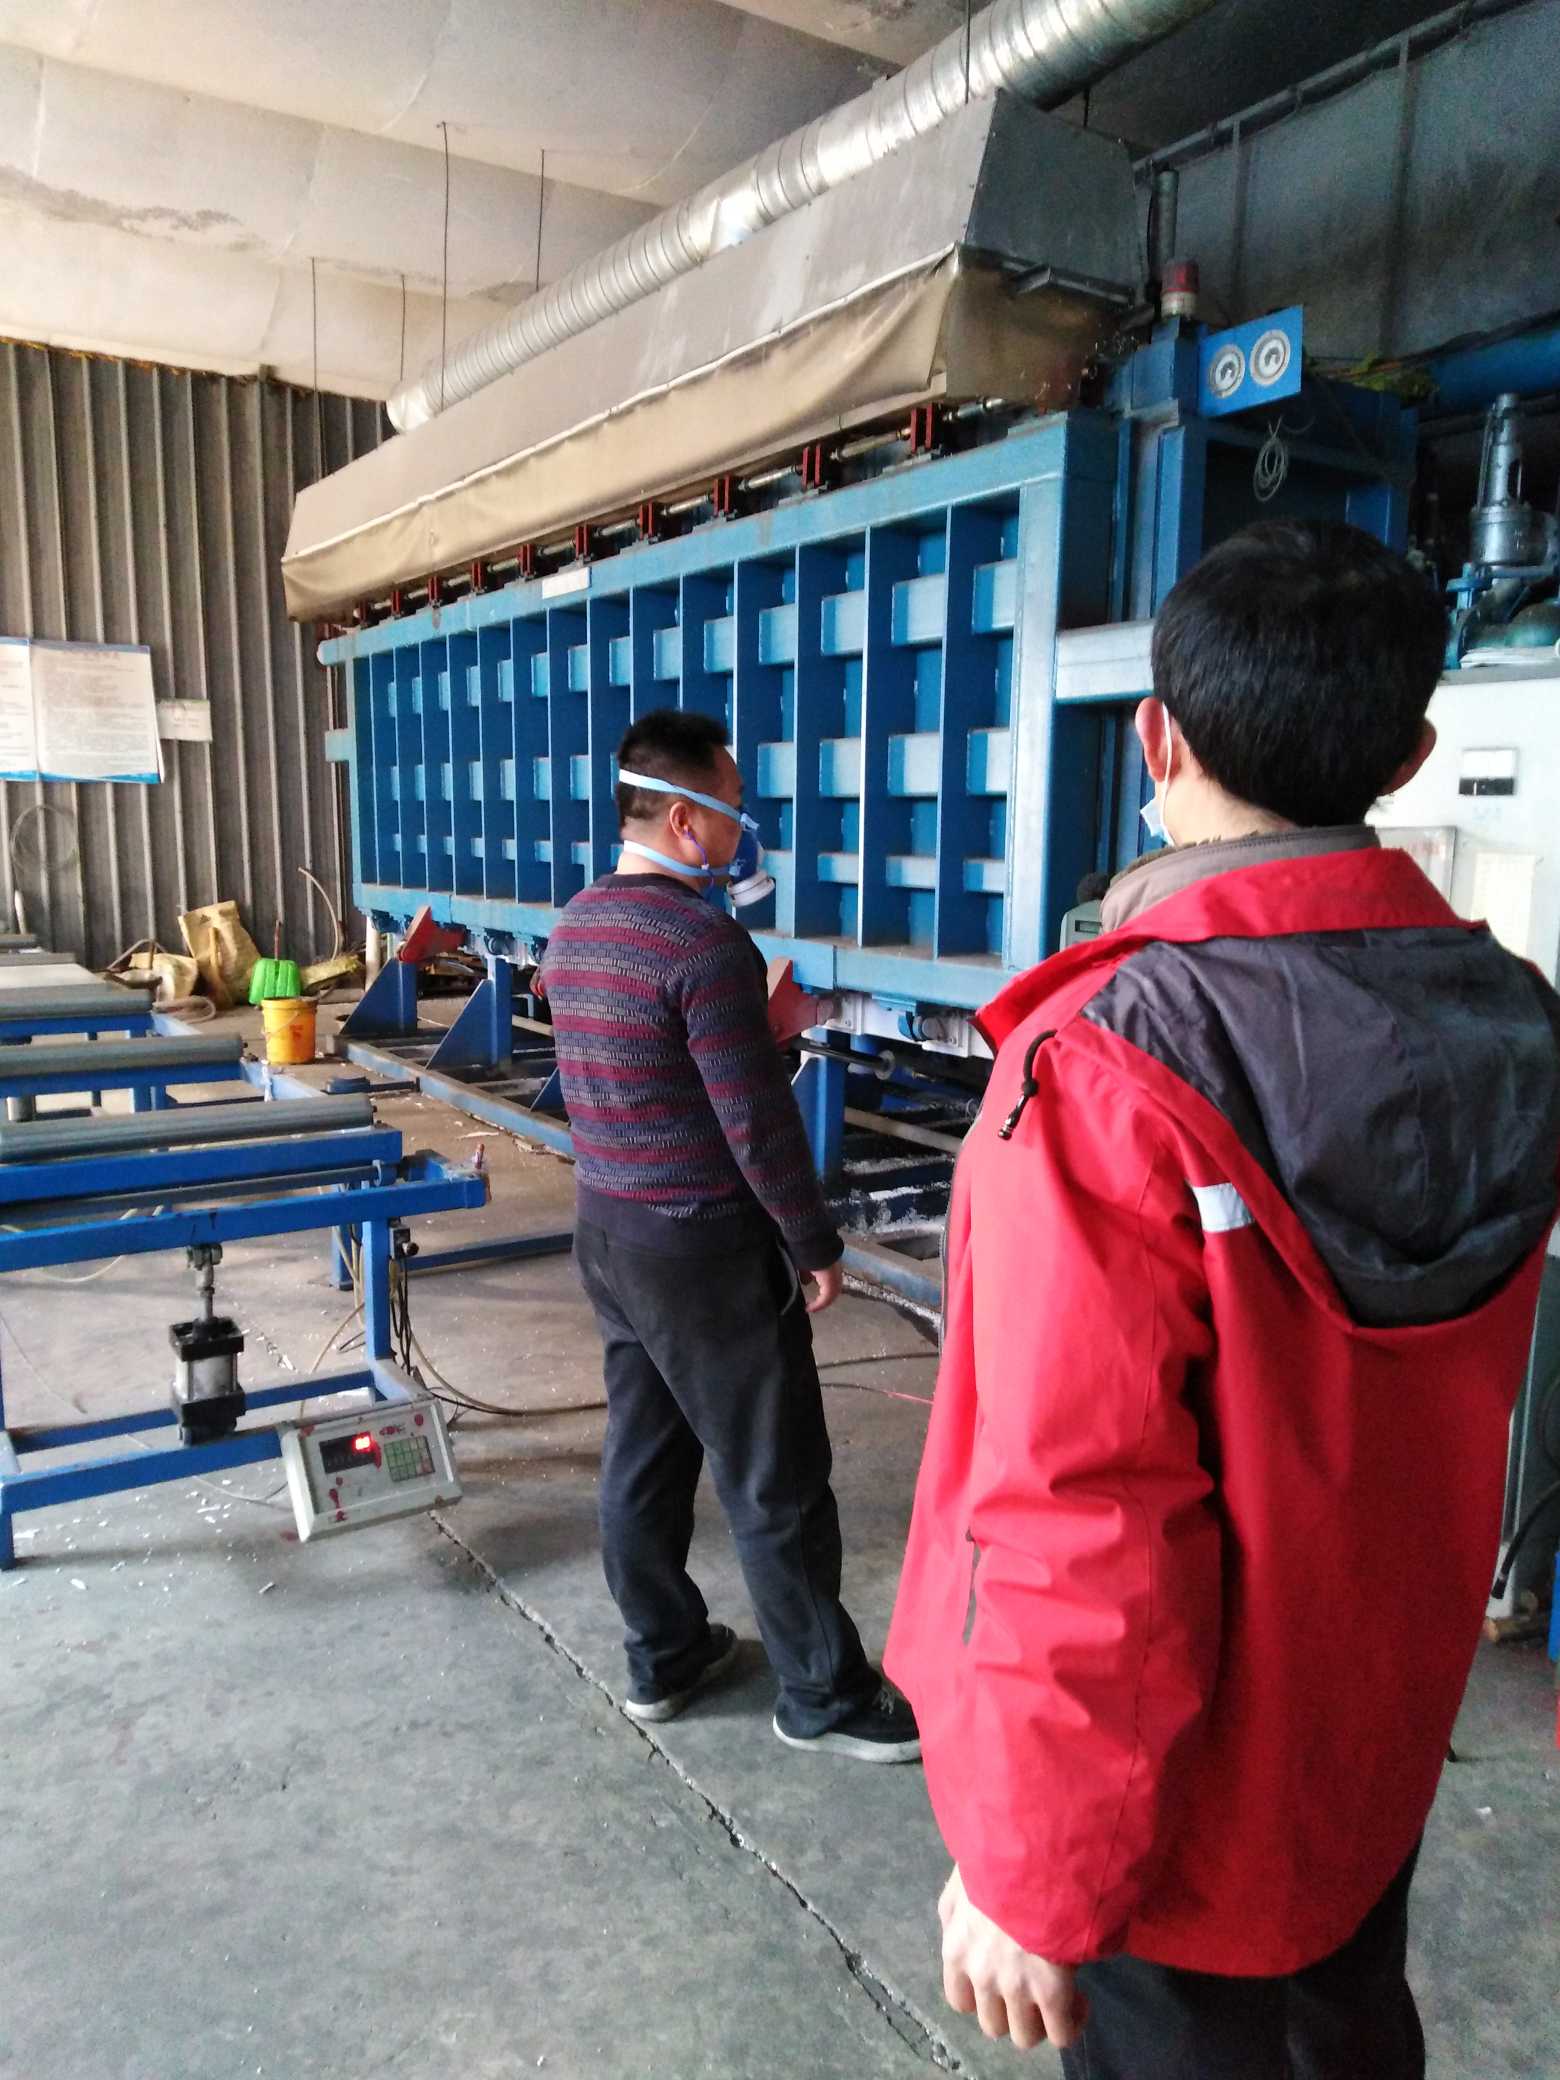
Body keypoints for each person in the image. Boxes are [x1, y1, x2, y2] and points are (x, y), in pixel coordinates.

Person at [884, 519, 1560, 2075]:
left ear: (1156, 739)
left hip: (1172, 1806)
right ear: (1409, 756)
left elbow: (1078, 1502)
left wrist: (1034, 1873)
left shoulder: (1106, 1068)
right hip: (1368, 1734)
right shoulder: (1516, 1023)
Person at [540, 706, 920, 1763]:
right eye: (734, 807)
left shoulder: (576, 923)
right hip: (702, 1248)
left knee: (646, 1455)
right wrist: (813, 1243)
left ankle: (665, 1656)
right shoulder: (705, 943)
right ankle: (823, 1694)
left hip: (610, 1230)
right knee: (774, 1471)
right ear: (682, 817)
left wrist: (752, 1030)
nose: (744, 829)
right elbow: (753, 1123)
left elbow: (632, 1066)